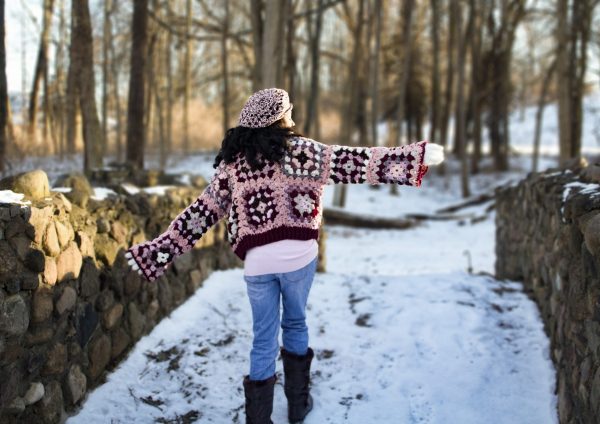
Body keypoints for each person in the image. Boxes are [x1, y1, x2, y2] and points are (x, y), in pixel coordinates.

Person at [125, 88, 444, 424]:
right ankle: (297, 405)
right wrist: (414, 158)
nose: (292, 116)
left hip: (257, 264)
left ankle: (259, 419)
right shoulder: (304, 152)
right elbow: (358, 162)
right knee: (295, 321)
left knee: (263, 337)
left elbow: (201, 213)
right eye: (288, 111)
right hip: (299, 257)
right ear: (278, 118)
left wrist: (157, 251)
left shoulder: (233, 166)